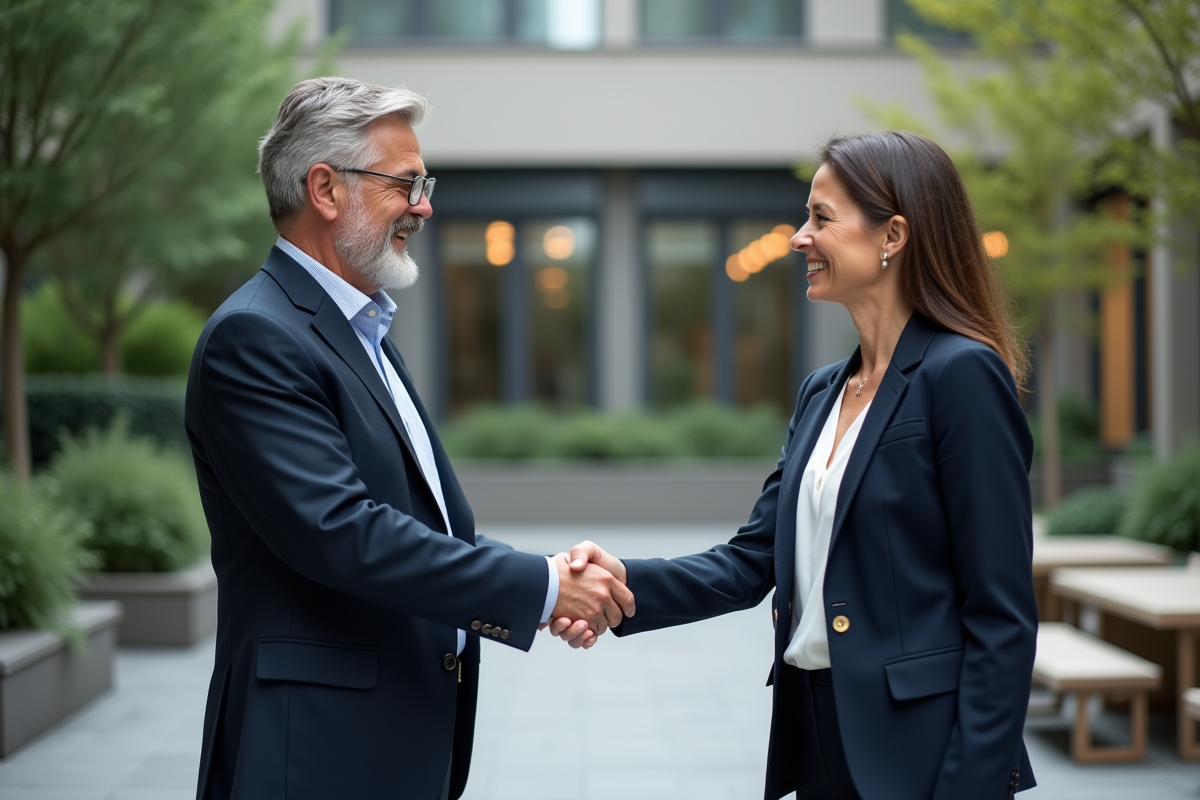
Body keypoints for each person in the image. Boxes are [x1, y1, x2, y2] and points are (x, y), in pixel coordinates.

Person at [553, 131, 1038, 800]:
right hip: (819, 739)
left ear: (892, 234)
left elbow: (1002, 615)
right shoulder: (823, 392)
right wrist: (618, 586)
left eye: (821, 218)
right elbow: (750, 561)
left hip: (921, 752)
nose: (797, 238)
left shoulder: (961, 375)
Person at [185, 77, 632, 800]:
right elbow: (344, 533)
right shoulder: (256, 337)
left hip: (383, 742)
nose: (424, 205)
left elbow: (420, 527)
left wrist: (544, 586)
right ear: (325, 190)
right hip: (315, 753)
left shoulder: (361, 333)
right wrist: (546, 587)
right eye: (405, 183)